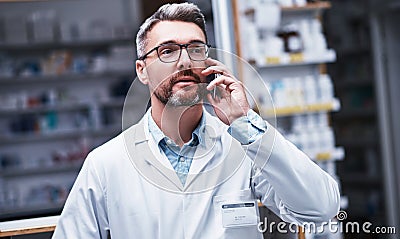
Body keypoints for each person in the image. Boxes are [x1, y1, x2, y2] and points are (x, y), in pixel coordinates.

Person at [53, 3, 340, 238]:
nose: (184, 62)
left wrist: (246, 122)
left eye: (196, 49)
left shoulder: (242, 146)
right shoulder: (105, 164)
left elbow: (321, 209)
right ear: (142, 70)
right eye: (167, 51)